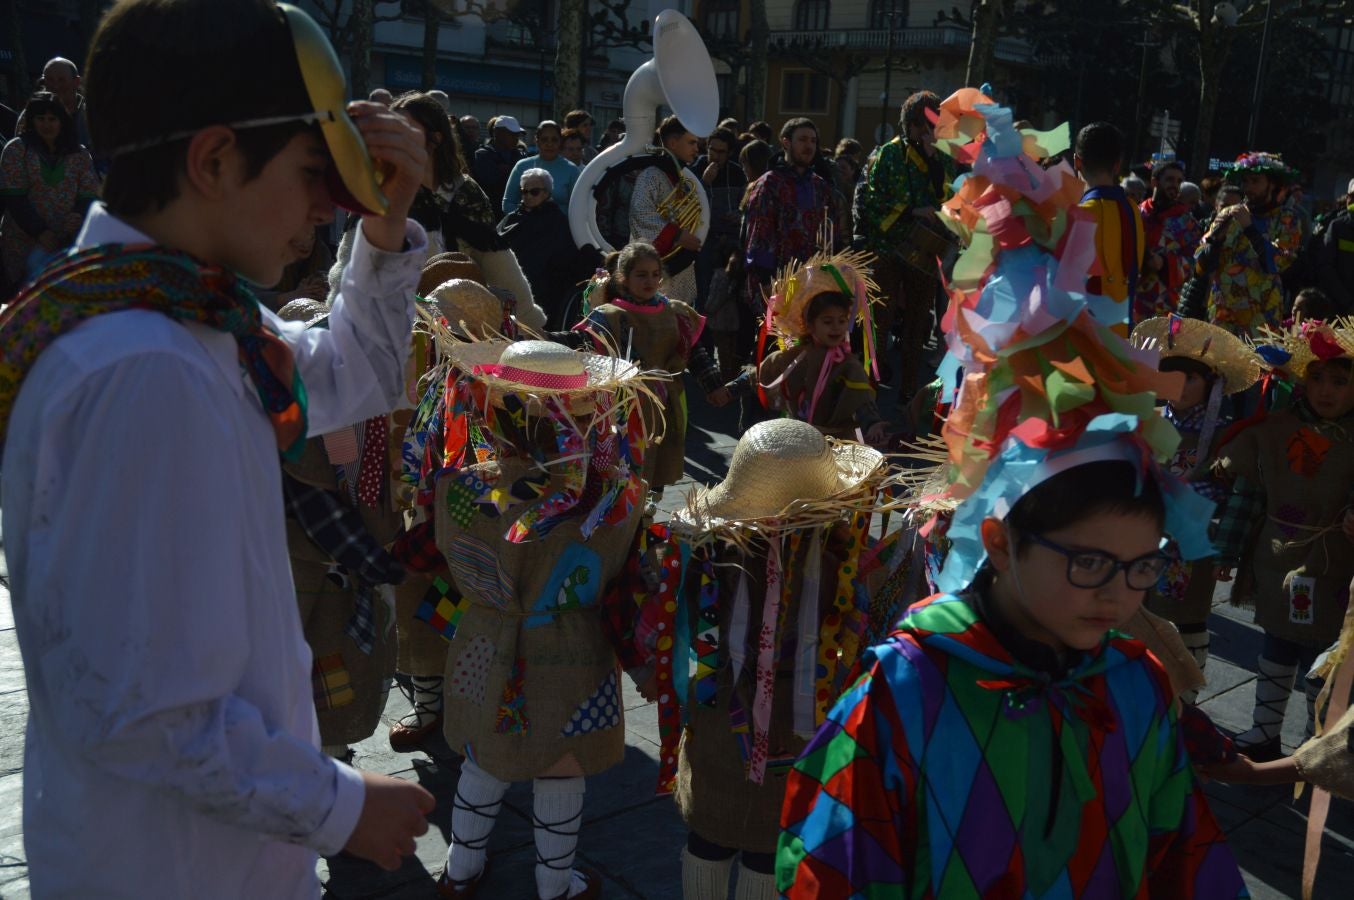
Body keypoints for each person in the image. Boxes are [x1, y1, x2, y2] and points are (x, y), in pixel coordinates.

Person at [0, 1, 437, 895]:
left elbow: (354, 372)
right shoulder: (146, 367)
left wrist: (386, 229)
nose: (325, 209)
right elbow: (147, 712)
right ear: (213, 160)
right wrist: (341, 808)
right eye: (314, 172)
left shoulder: (181, 319)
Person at [777, 89, 1243, 899]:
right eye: (1092, 562)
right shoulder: (900, 697)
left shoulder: (1134, 685)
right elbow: (831, 869)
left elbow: (1186, 860)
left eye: (1141, 568)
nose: (1120, 597)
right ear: (997, 538)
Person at [613, 419, 890, 900]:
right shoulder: (837, 557)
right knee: (770, 833)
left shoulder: (707, 551)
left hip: (720, 700)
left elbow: (664, 619)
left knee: (712, 826)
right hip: (801, 708)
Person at [425, 338, 654, 900]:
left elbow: (437, 557)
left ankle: (460, 870)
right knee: (562, 763)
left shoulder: (464, 486)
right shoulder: (612, 499)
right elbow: (627, 579)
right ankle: (556, 885)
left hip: (485, 636)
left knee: (485, 755)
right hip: (570, 647)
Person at [1213, 320, 1354, 760]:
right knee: (1276, 641)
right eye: (1317, 378)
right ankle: (1264, 731)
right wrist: (1229, 550)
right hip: (1278, 554)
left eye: (1340, 381)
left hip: (1336, 563)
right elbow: (1248, 493)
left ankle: (1323, 742)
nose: (1325, 390)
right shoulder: (1276, 430)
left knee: (1326, 656)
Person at [277, 297, 407, 762]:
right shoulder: (298, 428)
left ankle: (328, 761)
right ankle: (323, 768)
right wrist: (378, 560)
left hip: (327, 569)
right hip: (309, 570)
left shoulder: (345, 418)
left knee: (332, 674)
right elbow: (321, 503)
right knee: (317, 673)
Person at [1132, 315, 1261, 703]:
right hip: (1144, 537)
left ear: (1212, 384)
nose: (1181, 387)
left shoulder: (1223, 433)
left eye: (1191, 378)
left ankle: (1188, 700)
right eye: (1173, 376)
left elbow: (1228, 483)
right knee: (1142, 615)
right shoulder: (1150, 421)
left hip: (1189, 544)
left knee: (1186, 617)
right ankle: (1144, 694)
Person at [571, 242, 729, 499]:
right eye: (641, 275)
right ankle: (625, 526)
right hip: (623, 407)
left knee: (658, 467)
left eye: (655, 274)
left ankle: (647, 520)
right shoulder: (610, 315)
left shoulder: (675, 312)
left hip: (665, 405)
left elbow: (696, 354)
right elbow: (582, 348)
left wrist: (714, 386)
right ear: (623, 278)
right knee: (625, 468)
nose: (650, 281)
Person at [853, 91, 957, 395]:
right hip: (887, 250)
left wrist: (936, 166)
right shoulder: (888, 153)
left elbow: (950, 198)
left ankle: (908, 393)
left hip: (925, 253)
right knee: (879, 323)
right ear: (912, 125)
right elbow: (871, 203)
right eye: (929, 124)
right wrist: (912, 211)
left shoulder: (944, 159)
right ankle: (869, 390)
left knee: (917, 327)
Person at [756, 253, 888, 443]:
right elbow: (765, 371)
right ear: (810, 324)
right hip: (797, 441)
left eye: (842, 321)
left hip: (837, 444)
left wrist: (873, 424)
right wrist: (731, 389)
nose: (836, 327)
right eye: (827, 321)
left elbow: (862, 402)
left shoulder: (848, 364)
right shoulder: (796, 356)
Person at [1195, 151, 1303, 339]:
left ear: (1273, 184)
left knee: (1256, 367)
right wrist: (1215, 240)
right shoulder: (1229, 213)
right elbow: (1200, 266)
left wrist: (1249, 228)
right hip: (1222, 313)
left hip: (1261, 315)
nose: (1249, 187)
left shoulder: (1287, 218)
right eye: (1246, 181)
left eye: (1256, 181)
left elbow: (1279, 262)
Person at [0, 91, 99, 290]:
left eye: (52, 119)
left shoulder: (80, 154)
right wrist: (41, 232)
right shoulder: (16, 150)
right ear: (31, 121)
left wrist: (78, 216)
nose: (47, 124)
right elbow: (15, 199)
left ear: (62, 121)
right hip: (23, 243)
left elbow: (88, 195)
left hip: (68, 242)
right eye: (41, 118)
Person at [742, 118, 840, 312]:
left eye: (813, 141)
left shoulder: (820, 186)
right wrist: (765, 280)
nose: (809, 146)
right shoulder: (769, 183)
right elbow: (759, 234)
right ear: (786, 142)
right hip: (776, 282)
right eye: (803, 139)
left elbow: (832, 233)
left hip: (813, 283)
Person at [498, 167, 592, 329]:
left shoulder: (557, 222)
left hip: (544, 293)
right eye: (524, 191)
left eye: (533, 192)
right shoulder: (512, 219)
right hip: (511, 288)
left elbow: (565, 259)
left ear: (546, 193)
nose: (527, 196)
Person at [628, 115, 707, 304]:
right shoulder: (650, 176)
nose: (697, 149)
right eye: (691, 142)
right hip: (651, 268)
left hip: (681, 263)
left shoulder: (684, 179)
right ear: (672, 143)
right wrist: (677, 235)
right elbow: (641, 214)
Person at [1073, 121, 1144, 332]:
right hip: (1122, 342)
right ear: (1117, 164)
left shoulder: (1079, 215)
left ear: (1077, 162)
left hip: (1085, 344)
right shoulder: (1134, 210)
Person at [1135, 159, 1202, 321]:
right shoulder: (1136, 214)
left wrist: (1164, 263)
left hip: (1163, 305)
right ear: (1154, 182)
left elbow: (1193, 263)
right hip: (1129, 300)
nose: (1175, 185)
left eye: (1179, 181)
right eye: (1170, 179)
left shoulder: (1187, 223)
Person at [694, 126, 746, 307]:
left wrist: (739, 215)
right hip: (705, 238)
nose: (715, 156)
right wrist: (703, 182)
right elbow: (686, 201)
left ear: (730, 153)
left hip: (730, 237)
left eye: (721, 152)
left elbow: (745, 204)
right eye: (712, 150)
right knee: (703, 288)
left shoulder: (737, 173)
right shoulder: (697, 167)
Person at [502, 119, 579, 213]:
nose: (549, 144)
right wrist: (528, 220)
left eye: (554, 140)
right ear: (536, 141)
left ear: (560, 142)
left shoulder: (572, 170)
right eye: (544, 139)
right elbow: (508, 203)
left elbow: (578, 208)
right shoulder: (521, 166)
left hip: (560, 226)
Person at [471, 114, 526, 210]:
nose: (516, 138)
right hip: (490, 211)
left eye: (517, 135)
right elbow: (491, 182)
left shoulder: (520, 155)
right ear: (497, 133)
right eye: (512, 134)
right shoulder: (482, 154)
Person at [1317, 185, 1354, 314]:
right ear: (1347, 198)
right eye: (1352, 197)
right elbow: (1326, 267)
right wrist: (1347, 302)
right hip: (1340, 308)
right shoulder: (1337, 227)